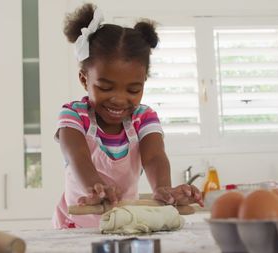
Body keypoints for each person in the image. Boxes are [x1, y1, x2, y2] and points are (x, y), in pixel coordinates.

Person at [52, 3, 203, 229]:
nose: (120, 100)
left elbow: (154, 157)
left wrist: (163, 189)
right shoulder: (74, 115)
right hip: (75, 227)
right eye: (105, 88)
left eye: (133, 90)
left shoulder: (144, 118)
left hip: (124, 223)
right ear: (84, 79)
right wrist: (96, 187)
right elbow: (77, 157)